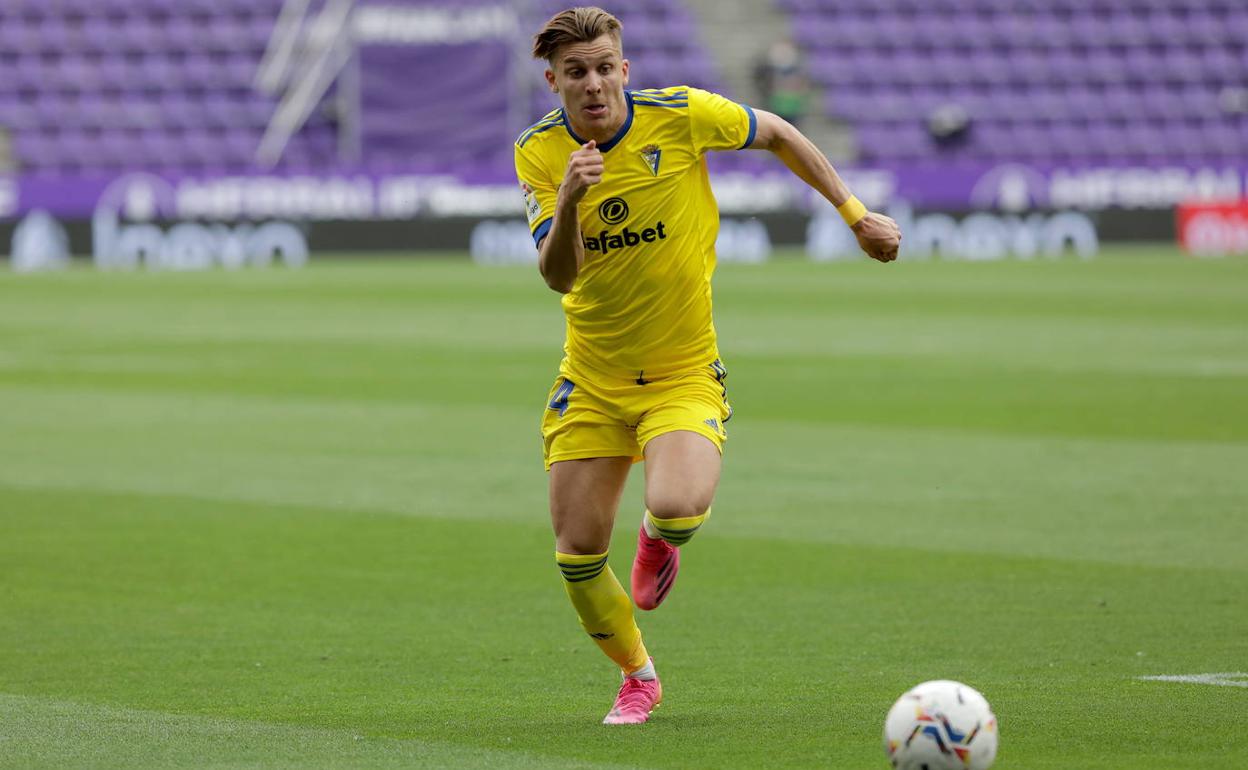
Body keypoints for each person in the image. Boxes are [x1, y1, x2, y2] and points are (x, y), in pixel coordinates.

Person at [513, 7, 900, 725]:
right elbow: (558, 276)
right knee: (576, 554)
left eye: (604, 69)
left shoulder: (682, 114)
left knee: (679, 505)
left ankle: (660, 542)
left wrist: (855, 215)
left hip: (682, 370)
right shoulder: (539, 154)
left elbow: (779, 132)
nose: (593, 84)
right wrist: (570, 199)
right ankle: (638, 676)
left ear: (623, 70)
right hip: (593, 380)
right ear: (554, 82)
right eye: (576, 74)